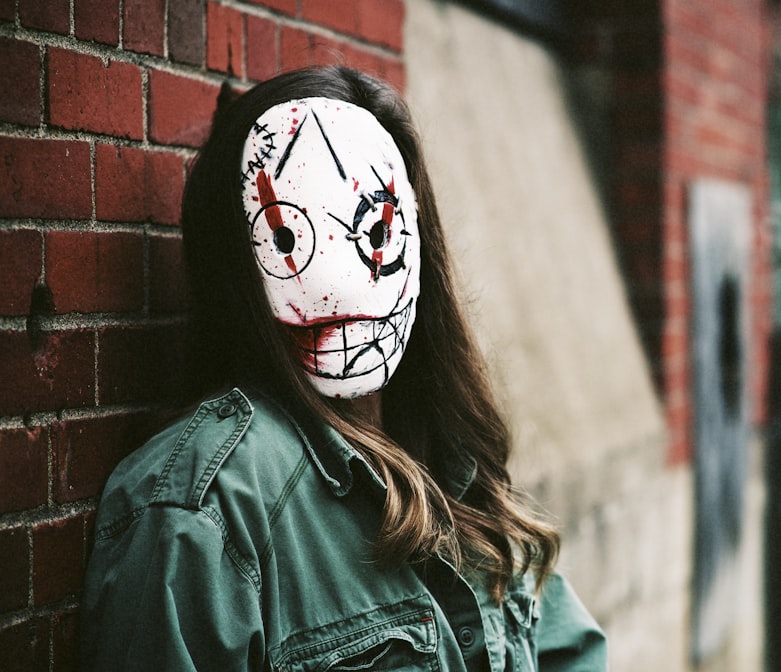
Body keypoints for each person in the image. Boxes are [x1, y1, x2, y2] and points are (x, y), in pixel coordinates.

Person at [80, 66, 607, 671]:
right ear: (239, 266)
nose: (337, 290)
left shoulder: (456, 463)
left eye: (375, 230)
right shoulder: (205, 511)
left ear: (416, 237)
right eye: (289, 244)